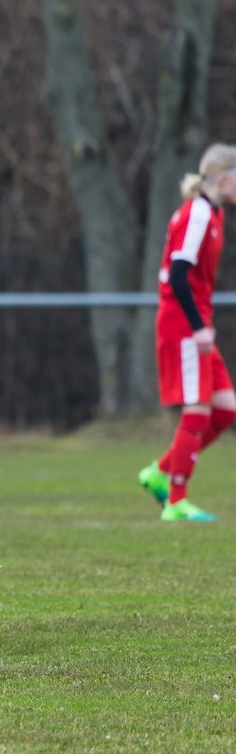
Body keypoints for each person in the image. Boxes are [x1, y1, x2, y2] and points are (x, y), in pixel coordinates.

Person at [136, 144, 236, 522]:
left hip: (196, 323)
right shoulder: (196, 213)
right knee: (197, 408)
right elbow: (178, 273)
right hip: (184, 325)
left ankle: (159, 470)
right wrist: (198, 327)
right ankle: (176, 500)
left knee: (226, 411)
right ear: (223, 177)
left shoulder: (213, 213)